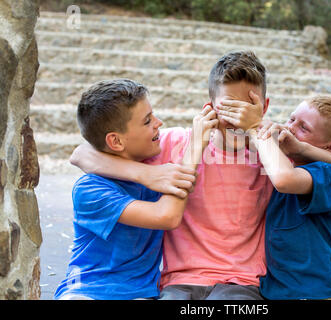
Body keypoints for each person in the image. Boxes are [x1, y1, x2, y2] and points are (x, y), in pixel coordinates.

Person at [70, 51, 331, 300]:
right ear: (209, 106)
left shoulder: (274, 156)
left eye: (247, 107)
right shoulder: (175, 144)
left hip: (241, 282)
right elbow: (82, 153)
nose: (237, 118)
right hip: (179, 281)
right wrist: (146, 174)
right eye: (228, 108)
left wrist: (259, 130)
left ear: (264, 107)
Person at [54, 79, 218, 300]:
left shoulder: (157, 162)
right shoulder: (90, 190)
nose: (159, 123)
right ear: (116, 141)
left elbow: (81, 153)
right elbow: (167, 216)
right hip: (87, 290)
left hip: (139, 293)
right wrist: (195, 146)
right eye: (147, 120)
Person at [247, 95, 331, 300]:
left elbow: (285, 180)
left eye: (303, 128)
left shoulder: (325, 172)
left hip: (315, 290)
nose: (290, 128)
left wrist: (256, 127)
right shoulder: (280, 162)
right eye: (291, 119)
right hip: (276, 290)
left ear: (330, 148)